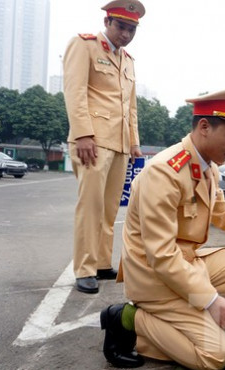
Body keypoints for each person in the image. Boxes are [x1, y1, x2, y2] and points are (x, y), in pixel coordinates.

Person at [99, 85, 225, 370]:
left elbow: (223, 214)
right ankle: (129, 317)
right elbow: (161, 255)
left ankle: (184, 320)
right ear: (205, 127)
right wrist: (210, 301)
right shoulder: (163, 172)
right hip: (155, 276)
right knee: (216, 356)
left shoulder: (207, 166)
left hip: (186, 263)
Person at [63, 0, 145, 294]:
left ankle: (99, 263)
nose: (126, 34)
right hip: (93, 141)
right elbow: (74, 92)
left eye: (131, 29)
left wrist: (134, 143)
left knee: (110, 208)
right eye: (121, 26)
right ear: (108, 22)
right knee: (90, 206)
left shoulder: (129, 60)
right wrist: (83, 134)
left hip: (121, 143)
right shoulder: (84, 46)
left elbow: (130, 107)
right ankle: (84, 268)